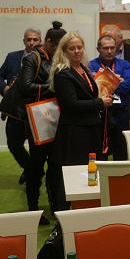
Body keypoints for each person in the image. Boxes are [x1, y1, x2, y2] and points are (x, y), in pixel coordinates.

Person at [49, 32, 113, 210]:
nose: (77, 51)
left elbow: (87, 95)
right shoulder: (63, 73)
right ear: (64, 51)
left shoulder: (83, 68)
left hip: (90, 128)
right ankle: (67, 211)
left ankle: (87, 206)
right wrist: (100, 102)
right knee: (75, 172)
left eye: (79, 47)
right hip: (75, 132)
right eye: (72, 48)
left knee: (89, 171)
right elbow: (72, 105)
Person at [17, 22, 66, 223]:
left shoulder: (60, 58)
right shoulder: (33, 58)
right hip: (38, 118)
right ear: (49, 42)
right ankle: (33, 210)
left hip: (57, 117)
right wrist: (54, 86)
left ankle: (57, 206)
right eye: (60, 46)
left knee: (56, 166)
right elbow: (25, 86)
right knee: (36, 167)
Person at [0, 27, 41, 184]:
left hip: (35, 111)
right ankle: (31, 169)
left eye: (35, 39)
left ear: (40, 41)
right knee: (13, 145)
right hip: (14, 110)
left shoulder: (45, 59)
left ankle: (32, 173)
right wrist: (4, 88)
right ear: (24, 41)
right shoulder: (12, 57)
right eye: (29, 39)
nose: (32, 42)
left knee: (37, 148)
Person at [89, 35, 130, 160]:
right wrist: (117, 80)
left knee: (121, 151)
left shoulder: (124, 64)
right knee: (101, 151)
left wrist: (104, 81)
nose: (109, 51)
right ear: (98, 49)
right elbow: (93, 88)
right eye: (105, 48)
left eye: (112, 48)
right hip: (101, 114)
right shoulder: (91, 65)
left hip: (120, 113)